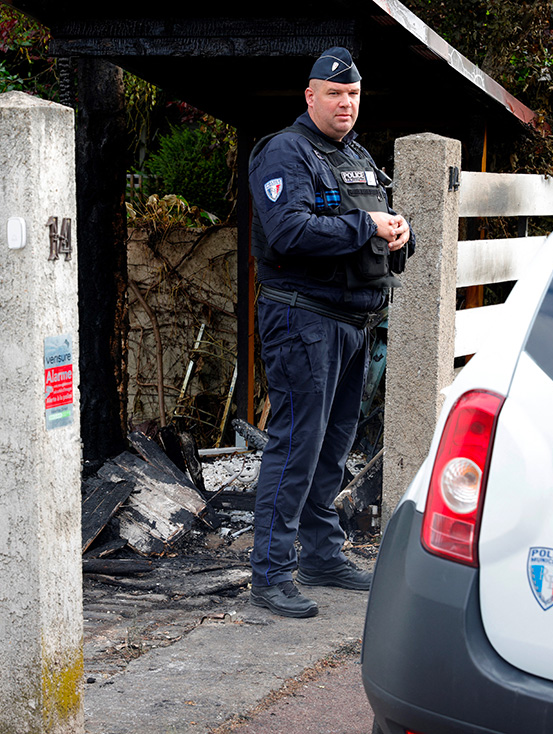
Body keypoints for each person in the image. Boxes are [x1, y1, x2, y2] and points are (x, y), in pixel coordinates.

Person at [247, 47, 414, 618]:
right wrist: (365, 224)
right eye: (335, 94)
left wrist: (399, 233)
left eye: (354, 95)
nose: (346, 104)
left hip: (354, 321)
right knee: (296, 445)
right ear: (310, 96)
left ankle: (321, 554)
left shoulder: (359, 157)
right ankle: (270, 574)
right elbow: (289, 231)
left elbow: (376, 227)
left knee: (333, 449)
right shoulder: (285, 153)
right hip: (303, 319)